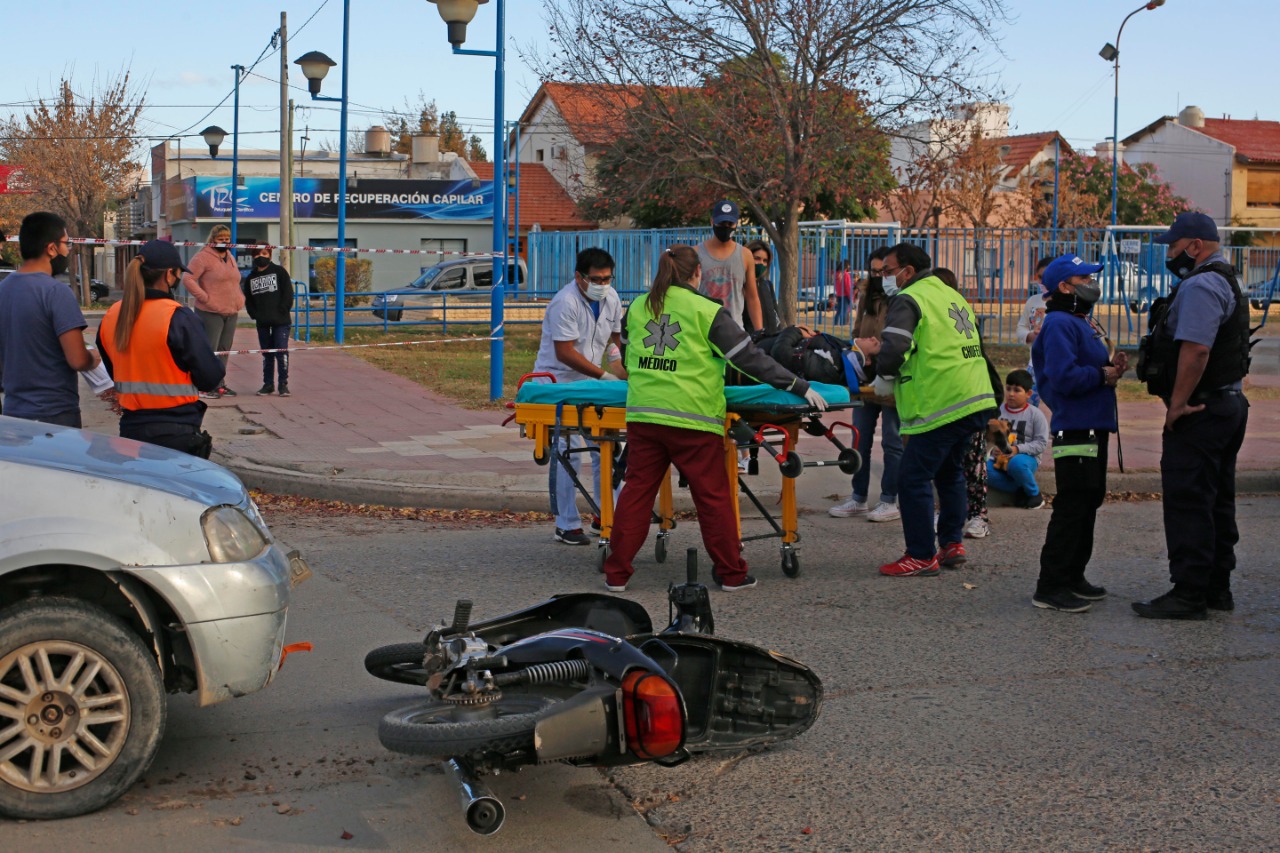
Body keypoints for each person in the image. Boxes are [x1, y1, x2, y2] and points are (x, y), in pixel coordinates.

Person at [603, 245, 825, 593]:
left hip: (644, 415)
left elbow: (631, 355)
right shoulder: (707, 311)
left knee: (636, 494)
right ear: (697, 275)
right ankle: (731, 574)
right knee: (713, 497)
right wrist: (798, 385)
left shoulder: (638, 307)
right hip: (691, 419)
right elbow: (749, 359)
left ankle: (616, 575)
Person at [1132, 212, 1251, 620]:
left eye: (1173, 246)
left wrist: (1178, 403)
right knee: (1217, 499)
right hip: (1227, 404)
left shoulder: (1201, 284)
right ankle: (1217, 588)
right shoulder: (1228, 278)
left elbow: (1196, 349)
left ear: (1194, 246)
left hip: (1201, 408)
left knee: (1189, 500)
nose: (1170, 254)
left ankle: (1189, 593)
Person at [872, 244, 996, 577]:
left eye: (888, 271)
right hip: (971, 396)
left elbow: (895, 344)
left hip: (941, 400)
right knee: (949, 471)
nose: (885, 277)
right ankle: (952, 543)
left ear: (907, 271)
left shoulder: (910, 298)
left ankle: (921, 554)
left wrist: (884, 375)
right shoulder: (949, 294)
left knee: (912, 478)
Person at [1030, 253, 1128, 612]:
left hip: (1093, 424)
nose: (1091, 284)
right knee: (1073, 504)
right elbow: (1064, 377)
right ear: (1064, 286)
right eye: (1084, 279)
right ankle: (1050, 585)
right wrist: (1103, 375)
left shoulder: (1079, 320)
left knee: (1089, 500)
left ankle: (1073, 575)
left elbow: (1084, 367)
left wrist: (1110, 366)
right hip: (1075, 427)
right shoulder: (1059, 323)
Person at [531, 247, 626, 545]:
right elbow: (565, 352)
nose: (602, 284)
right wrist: (604, 375)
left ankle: (605, 514)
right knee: (568, 452)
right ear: (579, 277)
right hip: (558, 382)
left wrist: (618, 366)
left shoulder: (611, 297)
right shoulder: (565, 302)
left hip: (590, 382)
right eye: (596, 279)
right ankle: (567, 523)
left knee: (606, 447)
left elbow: (613, 339)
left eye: (607, 278)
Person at [98, 240, 226, 457]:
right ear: (169, 275)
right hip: (176, 432)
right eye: (177, 274)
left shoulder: (112, 316)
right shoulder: (178, 317)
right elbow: (210, 377)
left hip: (131, 430)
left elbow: (115, 372)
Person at [0, 211, 100, 427]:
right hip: (55, 415)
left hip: (13, 414)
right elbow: (77, 359)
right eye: (67, 243)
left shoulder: (3, 289)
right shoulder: (56, 292)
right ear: (52, 248)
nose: (68, 250)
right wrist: (93, 358)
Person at [830, 246, 903, 524]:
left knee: (893, 442)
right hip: (866, 374)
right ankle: (858, 497)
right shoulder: (866, 294)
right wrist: (861, 352)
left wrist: (882, 353)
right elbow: (858, 329)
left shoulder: (902, 298)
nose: (878, 276)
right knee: (859, 439)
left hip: (892, 374)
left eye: (883, 271)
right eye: (873, 271)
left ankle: (889, 499)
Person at [182, 224, 243, 398]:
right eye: (221, 239)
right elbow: (188, 278)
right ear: (212, 240)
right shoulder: (202, 257)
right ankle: (205, 385)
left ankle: (219, 383)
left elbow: (234, 280)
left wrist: (240, 298)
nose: (225, 242)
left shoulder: (230, 257)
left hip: (231, 311)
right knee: (210, 349)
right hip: (210, 312)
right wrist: (204, 297)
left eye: (227, 239)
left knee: (224, 349)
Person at [986, 369, 1050, 510]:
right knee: (981, 470)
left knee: (1016, 464)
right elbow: (989, 438)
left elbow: (1041, 443)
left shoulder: (1035, 415)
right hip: (999, 460)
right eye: (1008, 389)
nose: (1011, 394)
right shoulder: (998, 411)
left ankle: (1035, 495)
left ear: (1028, 394)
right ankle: (1019, 490)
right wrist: (993, 451)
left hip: (1025, 459)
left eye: (1017, 390)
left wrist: (1017, 449)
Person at [696, 200, 763, 333]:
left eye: (730, 223)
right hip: (702, 331)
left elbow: (752, 296)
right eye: (721, 223)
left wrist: (759, 332)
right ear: (712, 222)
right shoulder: (696, 253)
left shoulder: (745, 255)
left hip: (734, 332)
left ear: (736, 224)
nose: (726, 227)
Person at [243, 245, 295, 397]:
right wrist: (254, 314)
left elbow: (288, 293)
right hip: (262, 322)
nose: (261, 256)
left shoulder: (279, 271)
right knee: (267, 354)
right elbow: (249, 299)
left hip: (281, 321)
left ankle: (283, 384)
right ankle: (268, 384)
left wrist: (283, 309)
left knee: (281, 351)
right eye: (258, 254)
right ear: (253, 256)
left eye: (265, 253)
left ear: (270, 255)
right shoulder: (251, 277)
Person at [1015, 257, 1054, 408]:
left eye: (1047, 277)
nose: (1043, 281)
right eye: (1039, 277)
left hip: (1057, 365)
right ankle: (1028, 432)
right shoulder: (1033, 301)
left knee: (1060, 407)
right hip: (1035, 365)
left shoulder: (1067, 303)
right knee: (1027, 407)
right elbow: (1021, 328)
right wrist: (1030, 335)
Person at [745, 240, 782, 336]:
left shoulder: (767, 285)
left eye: (765, 261)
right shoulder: (739, 285)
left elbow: (775, 315)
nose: (761, 263)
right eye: (757, 258)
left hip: (770, 343)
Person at [833, 260, 853, 325]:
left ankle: (835, 324)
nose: (849, 267)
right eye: (849, 265)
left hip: (839, 295)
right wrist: (850, 297)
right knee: (844, 312)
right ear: (846, 266)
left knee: (838, 311)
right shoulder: (846, 275)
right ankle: (843, 325)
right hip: (845, 295)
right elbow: (848, 287)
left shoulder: (836, 274)